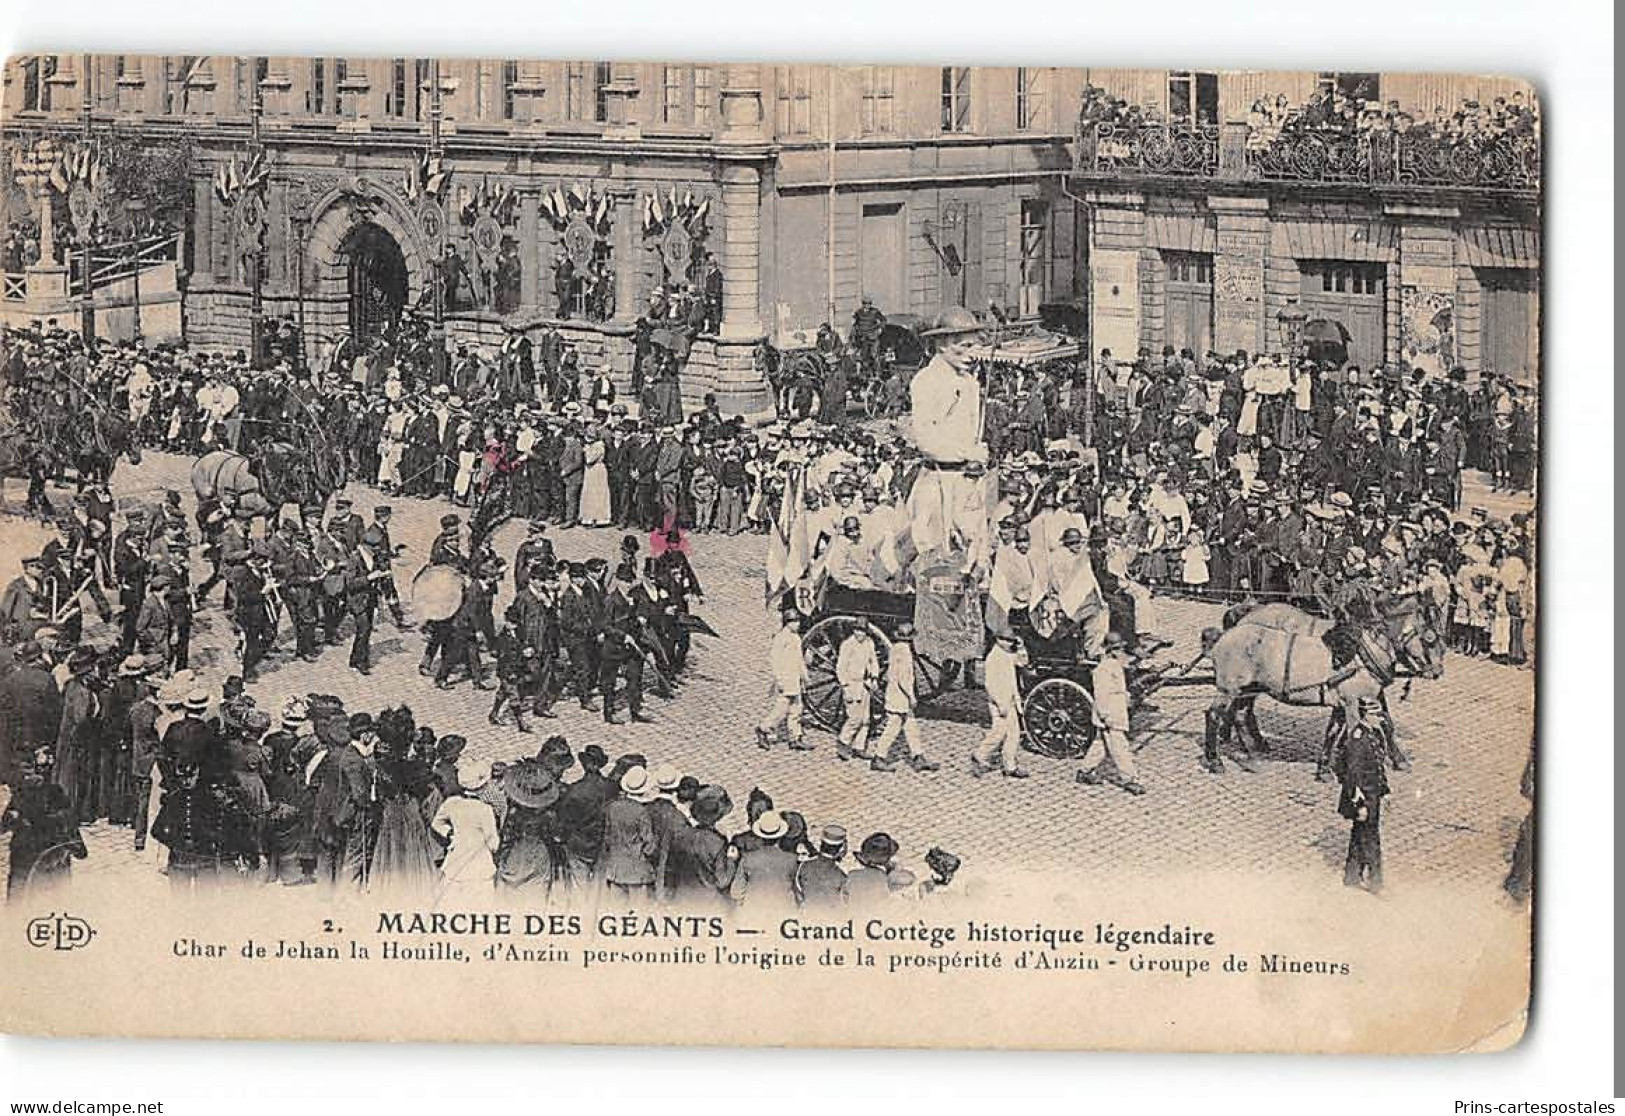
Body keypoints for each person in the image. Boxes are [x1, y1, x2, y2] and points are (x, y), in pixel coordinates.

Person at [1074, 633, 1145, 795]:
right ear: (1110, 650)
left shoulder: (1114, 665)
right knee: (1120, 747)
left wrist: (1126, 697)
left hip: (1116, 710)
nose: (1121, 652)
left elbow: (1119, 687)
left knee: (1100, 745)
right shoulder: (1103, 669)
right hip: (1110, 714)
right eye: (1118, 649)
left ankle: (1084, 772)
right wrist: (1105, 715)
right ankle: (1130, 779)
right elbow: (1101, 695)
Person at [1336, 697, 1390, 893]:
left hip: (1373, 794)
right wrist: (1360, 804)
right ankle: (1376, 882)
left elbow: (1377, 765)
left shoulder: (1372, 734)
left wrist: (1385, 791)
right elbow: (1353, 775)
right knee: (1371, 838)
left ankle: (1351, 875)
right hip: (1364, 798)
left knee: (1360, 834)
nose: (1381, 719)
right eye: (1377, 715)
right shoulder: (1359, 739)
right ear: (1367, 715)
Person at [870, 622, 939, 774]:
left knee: (911, 726)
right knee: (893, 727)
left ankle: (918, 756)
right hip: (900, 697)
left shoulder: (895, 649)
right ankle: (878, 757)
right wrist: (911, 696)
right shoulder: (905, 652)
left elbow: (889, 674)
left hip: (894, 693)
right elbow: (903, 679)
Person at [431, 760, 500, 897]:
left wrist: (450, 834)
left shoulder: (451, 803)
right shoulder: (485, 809)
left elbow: (436, 823)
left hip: (455, 858)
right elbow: (493, 843)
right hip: (480, 863)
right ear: (482, 787)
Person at [971, 632, 1028, 779]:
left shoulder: (1007, 654)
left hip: (1010, 700)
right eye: (1006, 640)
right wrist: (1000, 703)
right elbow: (990, 685)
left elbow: (1023, 662)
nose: (1010, 643)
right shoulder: (993, 658)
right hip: (1000, 703)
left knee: (1013, 734)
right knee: (999, 732)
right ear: (998, 639)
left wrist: (1021, 648)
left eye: (1011, 641)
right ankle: (979, 755)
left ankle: (1010, 766)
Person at [599, 765, 658, 904]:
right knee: (639, 912)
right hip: (636, 870)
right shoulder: (641, 812)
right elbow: (649, 844)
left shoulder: (612, 807)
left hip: (615, 868)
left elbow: (607, 836)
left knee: (617, 912)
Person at [757, 602, 809, 750]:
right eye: (794, 622)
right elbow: (775, 660)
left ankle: (795, 738)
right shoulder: (781, 638)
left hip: (795, 678)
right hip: (786, 678)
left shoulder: (796, 638)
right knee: (781, 709)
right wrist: (779, 679)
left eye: (798, 621)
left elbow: (799, 659)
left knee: (797, 709)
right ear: (787, 623)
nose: (797, 625)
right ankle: (763, 728)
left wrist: (804, 676)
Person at [833, 625, 880, 763]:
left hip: (864, 684)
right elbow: (840, 668)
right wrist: (845, 687)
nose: (861, 634)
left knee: (865, 719)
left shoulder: (869, 643)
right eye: (858, 631)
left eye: (863, 631)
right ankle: (843, 742)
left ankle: (859, 747)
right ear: (853, 631)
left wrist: (875, 677)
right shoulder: (847, 645)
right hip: (851, 683)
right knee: (855, 718)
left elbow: (873, 661)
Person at [793, 823, 849, 908]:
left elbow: (798, 895)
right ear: (841, 850)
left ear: (821, 844)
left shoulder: (804, 866)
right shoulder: (842, 875)